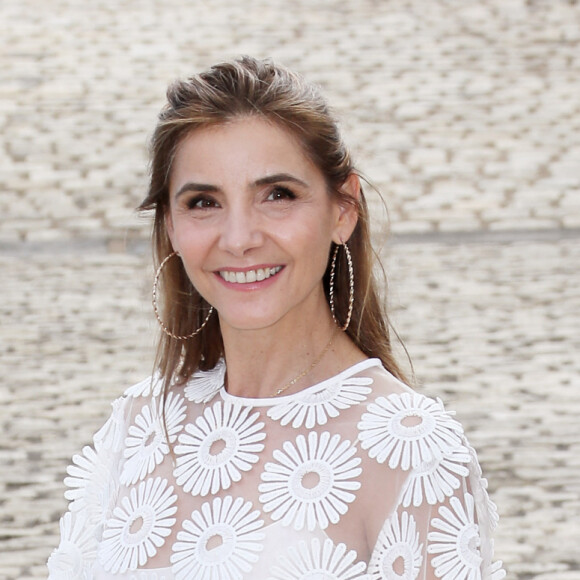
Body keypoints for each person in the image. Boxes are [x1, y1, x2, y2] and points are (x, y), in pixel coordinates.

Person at [47, 56, 505, 580]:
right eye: (203, 202)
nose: (239, 238)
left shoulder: (413, 452)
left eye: (278, 195)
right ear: (170, 225)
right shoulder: (137, 427)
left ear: (343, 209)